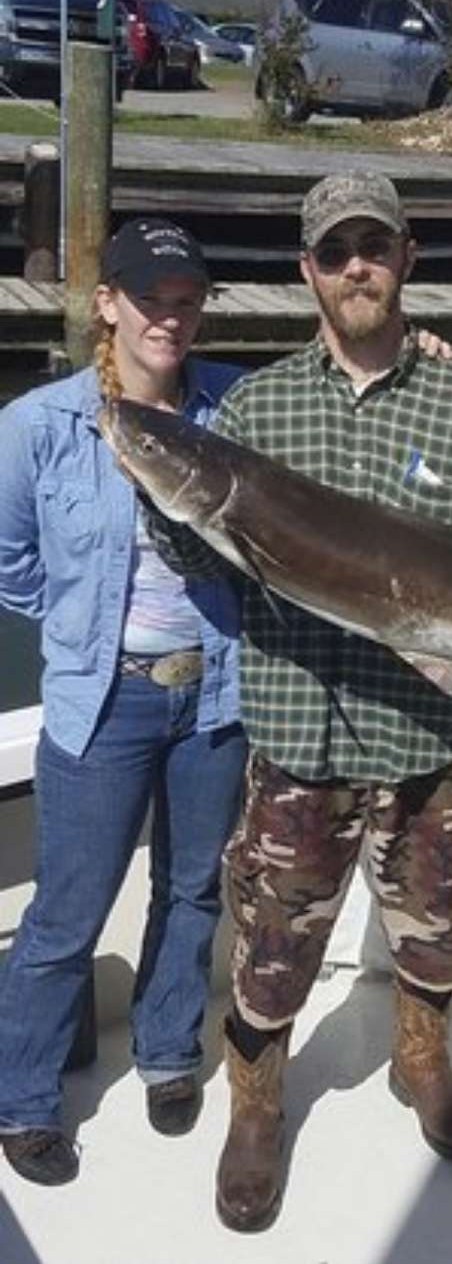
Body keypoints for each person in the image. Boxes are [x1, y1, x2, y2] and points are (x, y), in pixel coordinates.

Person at [144, 169, 452, 1233]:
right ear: (308, 273)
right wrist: (152, 475)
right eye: (335, 252)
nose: (357, 267)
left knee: (436, 930)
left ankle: (420, 1061)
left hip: (425, 732)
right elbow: (209, 553)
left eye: (375, 246)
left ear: (407, 260)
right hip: (297, 732)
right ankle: (257, 1103)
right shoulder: (256, 407)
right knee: (273, 945)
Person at [0, 218, 248, 1187]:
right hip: (102, 703)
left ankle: (169, 1049)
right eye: (151, 298)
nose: (171, 318)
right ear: (109, 303)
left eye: (188, 300)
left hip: (215, 695)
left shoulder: (238, 405)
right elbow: (10, 560)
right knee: (67, 912)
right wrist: (74, 626)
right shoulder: (37, 426)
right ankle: (22, 1096)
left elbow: (335, 406)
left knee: (191, 890)